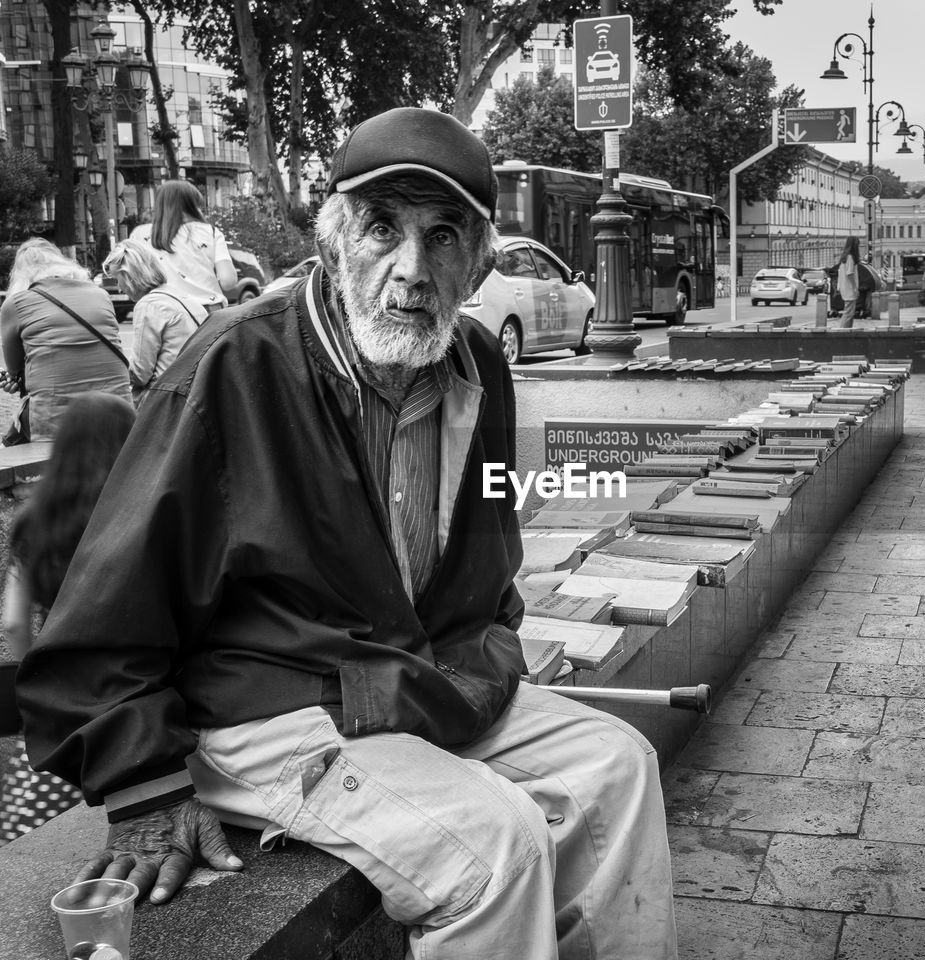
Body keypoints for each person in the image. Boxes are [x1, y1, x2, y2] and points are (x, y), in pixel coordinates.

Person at [18, 107, 677, 960]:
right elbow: (111, 596)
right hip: (275, 698)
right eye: (381, 228)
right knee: (492, 845)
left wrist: (482, 655)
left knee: (621, 767)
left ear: (478, 263)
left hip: (417, 676)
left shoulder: (478, 364)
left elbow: (484, 562)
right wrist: (144, 780)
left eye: (442, 237)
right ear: (334, 243)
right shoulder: (239, 363)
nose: (410, 269)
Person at [1, 391, 136, 844]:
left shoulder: (33, 522)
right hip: (137, 679)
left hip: (67, 686)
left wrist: (40, 674)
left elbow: (15, 622)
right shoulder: (140, 513)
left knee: (53, 812)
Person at [0, 239, 131, 441]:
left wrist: (14, 378)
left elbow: (15, 369)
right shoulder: (100, 294)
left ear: (20, 275)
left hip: (57, 419)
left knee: (13, 442)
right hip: (119, 410)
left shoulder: (16, 303)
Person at [102, 238, 205, 403]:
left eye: (117, 279)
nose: (120, 288)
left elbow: (140, 373)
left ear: (129, 276)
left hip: (167, 399)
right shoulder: (185, 299)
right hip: (195, 392)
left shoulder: (149, 305)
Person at [131, 180, 236, 318]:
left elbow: (132, 280)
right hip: (207, 310)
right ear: (192, 206)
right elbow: (228, 281)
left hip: (160, 311)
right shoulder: (209, 232)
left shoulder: (139, 235)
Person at [835, 235, 860, 326]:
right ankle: (842, 333)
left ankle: (847, 332)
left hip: (845, 288)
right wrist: (855, 288)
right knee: (848, 314)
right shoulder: (850, 257)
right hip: (849, 289)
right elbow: (850, 274)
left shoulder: (844, 257)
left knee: (849, 313)